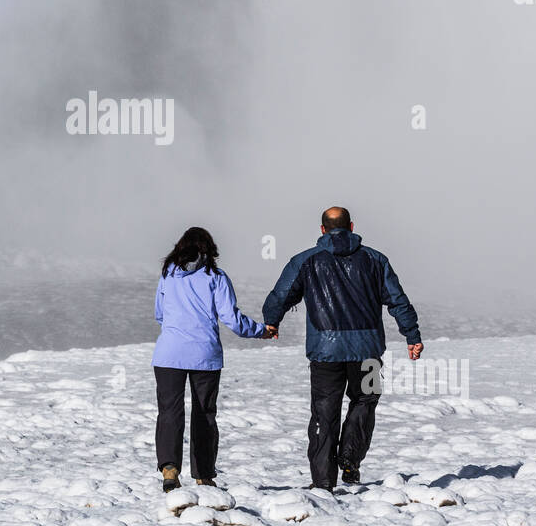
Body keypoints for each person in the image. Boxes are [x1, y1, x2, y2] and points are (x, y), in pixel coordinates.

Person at [262, 206, 423, 489]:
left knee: (324, 411)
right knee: (366, 401)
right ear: (351, 226)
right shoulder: (376, 260)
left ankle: (323, 481)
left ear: (322, 229)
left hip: (325, 351)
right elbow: (398, 300)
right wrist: (412, 336)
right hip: (369, 350)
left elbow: (281, 295)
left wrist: (271, 322)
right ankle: (350, 459)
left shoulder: (305, 260)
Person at [153, 226, 274, 492]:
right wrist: (260, 331)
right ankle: (204, 474)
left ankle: (170, 468)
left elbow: (159, 314)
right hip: (204, 355)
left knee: (169, 413)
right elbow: (231, 318)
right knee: (204, 414)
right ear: (210, 249)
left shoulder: (168, 275)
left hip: (168, 354)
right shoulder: (215, 276)